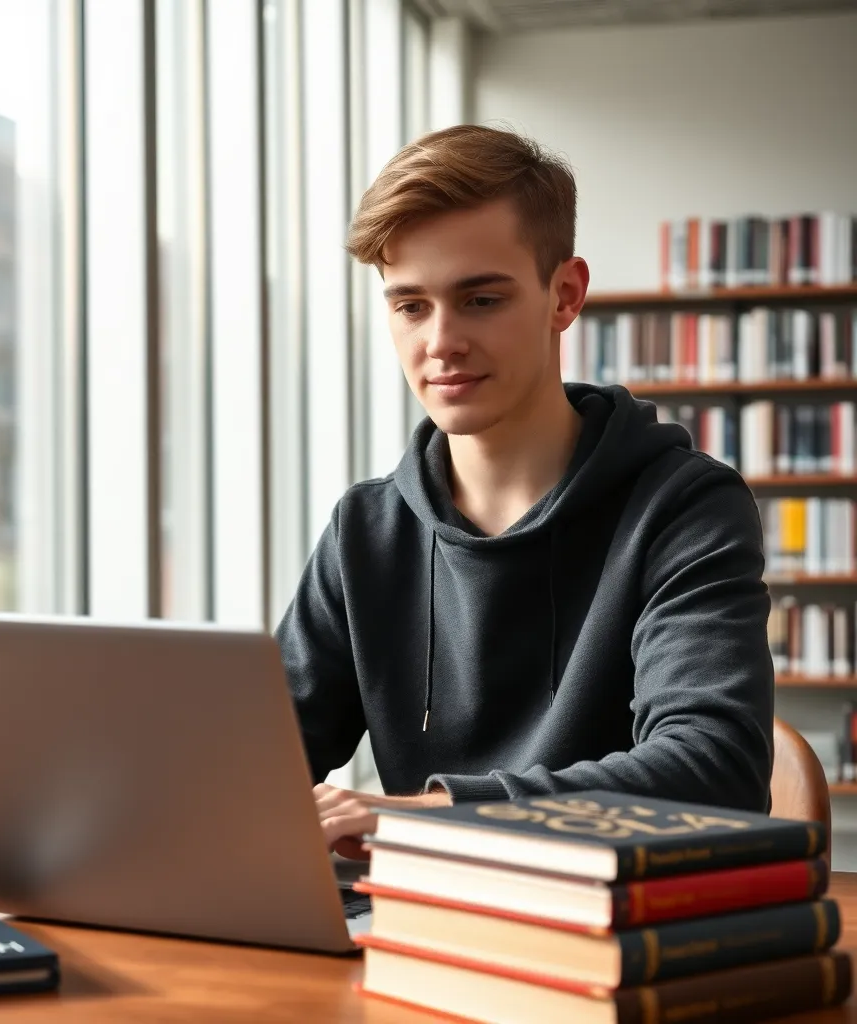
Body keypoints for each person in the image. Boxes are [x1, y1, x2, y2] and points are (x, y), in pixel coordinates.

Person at [275, 124, 773, 861]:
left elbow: (714, 766)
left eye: (479, 300)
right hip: (417, 926)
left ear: (564, 295)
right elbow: (260, 765)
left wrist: (430, 816)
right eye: (409, 306)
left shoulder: (684, 508)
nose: (440, 341)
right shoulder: (366, 530)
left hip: (607, 935)